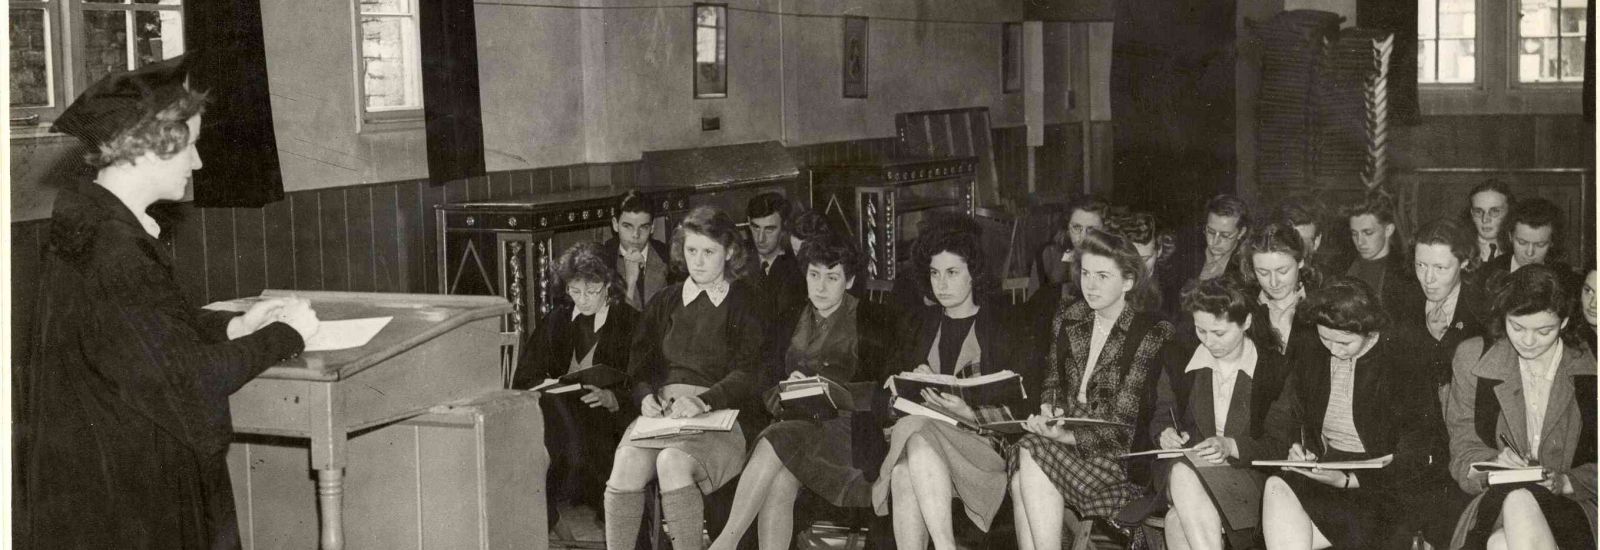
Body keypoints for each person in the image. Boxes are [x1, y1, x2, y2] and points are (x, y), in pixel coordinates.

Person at [18, 55, 321, 549]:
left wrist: (235, 327)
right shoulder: (114, 248)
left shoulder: (91, 221)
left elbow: (141, 335)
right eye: (190, 147)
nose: (198, 163)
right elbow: (188, 380)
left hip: (98, 475)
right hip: (131, 493)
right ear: (147, 149)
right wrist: (287, 335)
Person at [708, 233, 895, 550]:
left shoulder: (873, 320)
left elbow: (882, 393)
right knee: (780, 480)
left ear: (849, 281)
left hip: (846, 433)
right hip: (795, 422)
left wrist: (832, 389)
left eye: (832, 277)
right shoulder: (787, 318)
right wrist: (786, 386)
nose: (820, 287)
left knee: (774, 439)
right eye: (814, 275)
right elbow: (764, 378)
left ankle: (726, 543)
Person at [604, 206, 766, 550]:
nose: (699, 261)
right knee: (627, 461)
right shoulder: (666, 301)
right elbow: (639, 366)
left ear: (730, 253)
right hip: (664, 416)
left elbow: (750, 372)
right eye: (692, 251)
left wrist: (705, 400)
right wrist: (645, 396)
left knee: (672, 461)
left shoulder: (745, 301)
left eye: (709, 252)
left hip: (721, 416)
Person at [1009, 228, 1180, 550]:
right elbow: (1052, 382)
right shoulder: (1069, 317)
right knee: (1023, 475)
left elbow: (1125, 425)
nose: (1090, 284)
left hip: (1118, 457)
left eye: (1103, 276)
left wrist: (1063, 436)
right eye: (1086, 273)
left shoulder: (1150, 332)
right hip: (1065, 444)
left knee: (1030, 450)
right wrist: (1050, 408)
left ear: (1128, 282)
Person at [1259, 276, 1453, 549]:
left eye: (1345, 343)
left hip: (1384, 483)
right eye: (1326, 339)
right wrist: (1299, 447)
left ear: (1369, 331)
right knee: (1277, 486)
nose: (1334, 350)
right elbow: (1296, 414)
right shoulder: (1314, 352)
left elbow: (1421, 450)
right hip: (1329, 469)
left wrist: (1351, 480)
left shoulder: (1403, 361)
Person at [871, 220, 1025, 550]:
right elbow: (880, 398)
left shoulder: (1003, 326)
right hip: (925, 450)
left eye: (952, 273)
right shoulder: (917, 326)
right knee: (907, 462)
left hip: (980, 452)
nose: (941, 283)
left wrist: (970, 412)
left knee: (912, 444)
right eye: (934, 273)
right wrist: (909, 387)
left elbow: (1025, 408)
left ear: (974, 274)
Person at [1444, 265, 1597, 549]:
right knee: (1517, 500)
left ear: (1564, 322)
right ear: (1504, 318)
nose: (1528, 341)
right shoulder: (1473, 358)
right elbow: (1463, 448)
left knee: (1501, 544)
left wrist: (1567, 481)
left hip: (1573, 504)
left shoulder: (1592, 365)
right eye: (1517, 327)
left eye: (1543, 330)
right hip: (1498, 497)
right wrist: (1493, 463)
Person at [510, 242, 639, 541]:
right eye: (574, 291)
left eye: (592, 291)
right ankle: (540, 522)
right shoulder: (558, 318)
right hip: (558, 414)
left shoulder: (628, 322)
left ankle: (543, 522)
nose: (583, 300)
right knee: (554, 429)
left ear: (608, 284)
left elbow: (643, 379)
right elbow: (525, 375)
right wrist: (549, 385)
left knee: (567, 447)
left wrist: (613, 398)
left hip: (606, 418)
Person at [1151, 278, 1290, 550]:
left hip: (1247, 477)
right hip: (1185, 471)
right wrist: (1164, 434)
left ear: (1246, 322)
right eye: (1201, 331)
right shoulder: (1179, 358)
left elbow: (1280, 443)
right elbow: (1161, 415)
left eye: (1219, 333)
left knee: (1176, 520)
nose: (1209, 342)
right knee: (1181, 471)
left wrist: (1231, 445)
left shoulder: (1274, 369)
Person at [1394, 218, 1489, 390]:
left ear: (1464, 262)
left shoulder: (1483, 309)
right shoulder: (1400, 300)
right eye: (1421, 265)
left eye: (1440, 268)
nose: (1428, 279)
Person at [1238, 220, 1322, 371]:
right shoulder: (1245, 307)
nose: (1273, 282)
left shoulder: (1322, 303)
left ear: (1301, 261)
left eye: (1282, 271)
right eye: (1263, 272)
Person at [1478, 198, 1572, 297]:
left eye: (1540, 245)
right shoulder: (1486, 274)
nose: (1530, 253)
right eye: (1522, 242)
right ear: (1510, 236)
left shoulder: (1565, 279)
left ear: (1552, 242)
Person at [606, 190, 680, 311]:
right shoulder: (603, 261)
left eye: (643, 227)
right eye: (627, 226)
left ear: (652, 227)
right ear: (615, 224)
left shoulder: (668, 257)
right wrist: (630, 283)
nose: (635, 235)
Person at [745, 192, 807, 323]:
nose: (760, 238)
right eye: (755, 227)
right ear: (749, 222)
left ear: (784, 228)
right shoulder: (739, 260)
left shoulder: (797, 267)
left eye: (769, 229)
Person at [1342, 192, 1409, 307]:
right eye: (1354, 234)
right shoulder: (1341, 267)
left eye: (1368, 233)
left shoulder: (1406, 274)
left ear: (1388, 230)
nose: (1359, 242)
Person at [1462, 180, 1514, 272]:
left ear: (1509, 212)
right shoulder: (1460, 251)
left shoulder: (1520, 249)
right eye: (1478, 211)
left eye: (1494, 211)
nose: (1485, 219)